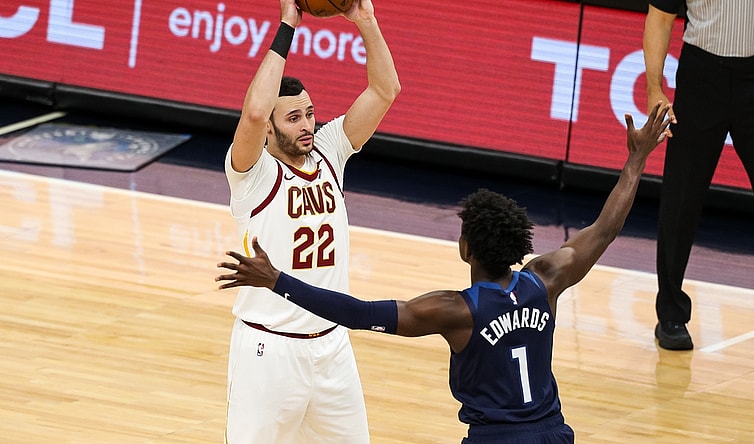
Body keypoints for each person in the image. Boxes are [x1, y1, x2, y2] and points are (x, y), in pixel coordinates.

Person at [216, 104, 671, 443]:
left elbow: (355, 313)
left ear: (466, 248)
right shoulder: (545, 279)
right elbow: (606, 228)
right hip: (554, 433)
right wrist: (637, 160)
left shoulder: (456, 312)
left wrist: (278, 281)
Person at [221, 0, 400, 441]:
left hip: (332, 346)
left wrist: (366, 21)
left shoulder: (330, 150)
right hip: (269, 351)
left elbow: (384, 90)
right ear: (270, 129)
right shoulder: (252, 174)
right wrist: (287, 24)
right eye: (294, 117)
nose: (307, 125)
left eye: (310, 114)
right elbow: (255, 112)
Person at [644, 0, 754, 352]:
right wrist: (653, 89)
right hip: (701, 76)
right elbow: (660, 19)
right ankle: (671, 315)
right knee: (682, 198)